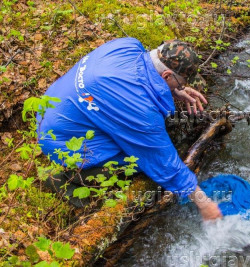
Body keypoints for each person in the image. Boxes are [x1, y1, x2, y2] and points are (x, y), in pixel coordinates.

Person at [39, 38, 222, 221]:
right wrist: (204, 203)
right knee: (137, 160)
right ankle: (65, 178)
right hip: (59, 140)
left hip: (51, 107)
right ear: (166, 76)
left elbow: (140, 80)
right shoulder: (139, 110)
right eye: (180, 84)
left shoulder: (128, 45)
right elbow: (161, 160)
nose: (182, 87)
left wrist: (173, 91)